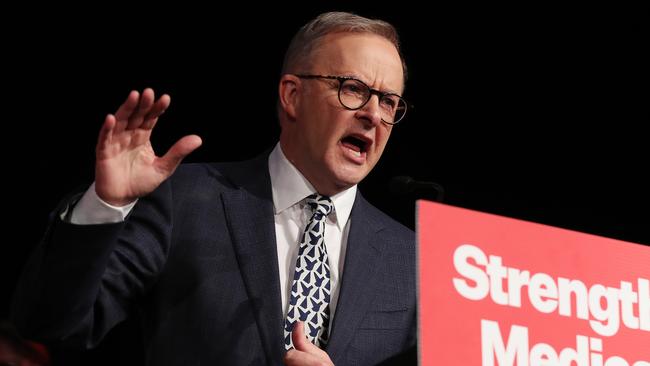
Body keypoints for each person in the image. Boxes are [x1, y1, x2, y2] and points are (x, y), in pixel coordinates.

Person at [11, 11, 416, 365]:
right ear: (292, 95)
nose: (373, 115)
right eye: (354, 89)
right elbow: (53, 325)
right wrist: (105, 204)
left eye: (389, 102)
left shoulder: (412, 261)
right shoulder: (185, 200)